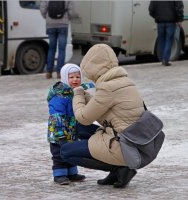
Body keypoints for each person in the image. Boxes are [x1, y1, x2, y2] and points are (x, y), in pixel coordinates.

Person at [60, 44, 145, 188]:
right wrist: (88, 97)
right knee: (79, 128)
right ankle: (117, 170)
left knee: (65, 152)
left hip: (122, 145)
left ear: (95, 67)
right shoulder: (125, 81)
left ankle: (119, 168)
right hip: (131, 139)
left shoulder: (107, 88)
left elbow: (83, 117)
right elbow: (105, 112)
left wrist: (78, 94)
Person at [47, 63, 87, 185]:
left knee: (72, 151)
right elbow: (56, 116)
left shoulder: (75, 92)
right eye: (71, 77)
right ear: (64, 78)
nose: (75, 80)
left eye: (77, 77)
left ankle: (72, 173)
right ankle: (59, 175)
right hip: (59, 132)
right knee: (59, 154)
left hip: (71, 131)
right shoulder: (59, 95)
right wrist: (61, 134)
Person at [40, 1, 78, 79]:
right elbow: (72, 11)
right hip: (63, 24)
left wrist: (48, 17)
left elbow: (42, 9)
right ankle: (59, 73)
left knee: (51, 48)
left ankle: (49, 72)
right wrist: (67, 18)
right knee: (62, 49)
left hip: (50, 24)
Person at [149, 0, 184, 66]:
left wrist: (157, 16)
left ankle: (163, 59)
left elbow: (151, 9)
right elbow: (179, 7)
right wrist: (179, 19)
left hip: (160, 22)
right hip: (171, 21)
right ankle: (165, 59)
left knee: (161, 40)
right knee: (169, 40)